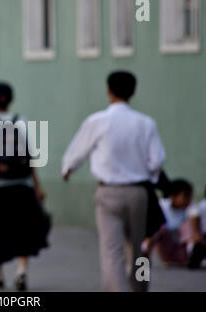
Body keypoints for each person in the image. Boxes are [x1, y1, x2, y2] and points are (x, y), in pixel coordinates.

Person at [61, 71, 166, 292]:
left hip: (109, 193)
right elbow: (156, 160)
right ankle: (140, 287)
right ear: (134, 92)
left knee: (112, 251)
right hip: (139, 193)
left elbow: (77, 151)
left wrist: (68, 168)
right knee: (140, 246)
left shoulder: (98, 121)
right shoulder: (145, 123)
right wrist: (146, 175)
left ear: (108, 91)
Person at [0, 82, 49, 291]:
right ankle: (21, 271)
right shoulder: (21, 121)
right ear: (11, 100)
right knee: (23, 228)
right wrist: (37, 186)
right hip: (22, 184)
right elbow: (30, 157)